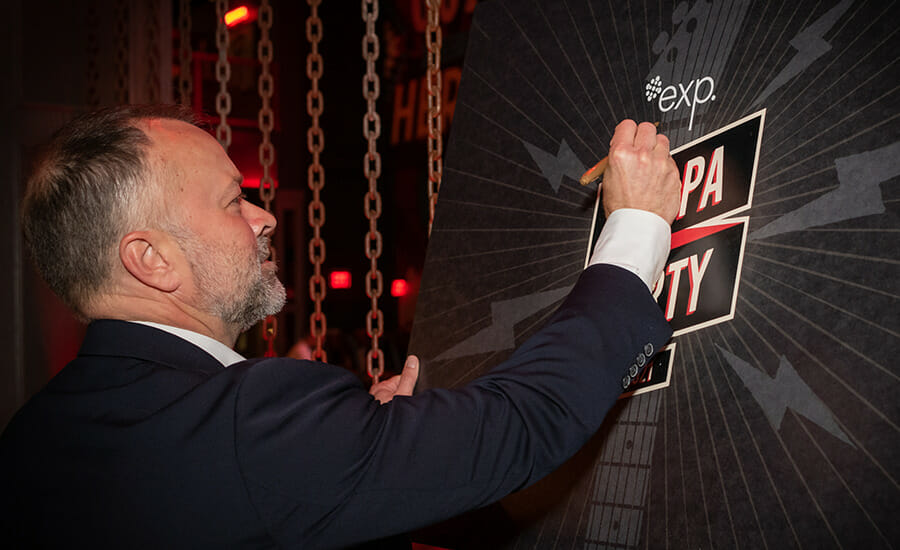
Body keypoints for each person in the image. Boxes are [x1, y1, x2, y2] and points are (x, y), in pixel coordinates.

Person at [0, 104, 680, 549]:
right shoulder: (251, 421)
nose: (263, 217)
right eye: (233, 201)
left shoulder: (29, 442)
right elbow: (521, 423)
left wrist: (358, 450)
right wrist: (636, 228)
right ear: (149, 260)